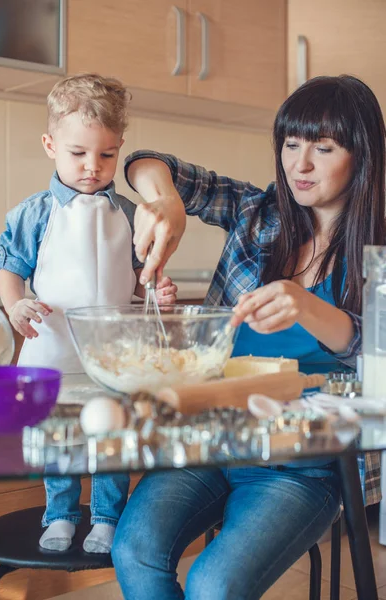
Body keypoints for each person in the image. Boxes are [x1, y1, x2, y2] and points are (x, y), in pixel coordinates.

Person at [110, 75, 384, 599]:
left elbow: (374, 351)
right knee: (135, 549)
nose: (299, 164)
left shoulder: (377, 254)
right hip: (210, 442)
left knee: (215, 584)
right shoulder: (259, 216)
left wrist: (309, 306)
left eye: (322, 148)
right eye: (291, 143)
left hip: (304, 468)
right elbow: (144, 161)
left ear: (362, 155)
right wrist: (164, 198)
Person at [0, 73, 177, 554]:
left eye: (107, 155)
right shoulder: (32, 214)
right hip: (51, 346)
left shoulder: (132, 212)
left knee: (110, 434)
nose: (92, 167)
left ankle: (107, 516)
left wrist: (156, 291)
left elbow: (143, 278)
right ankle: (60, 513)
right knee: (60, 437)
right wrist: (16, 305)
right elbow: (9, 273)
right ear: (51, 145)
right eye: (78, 154)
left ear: (120, 148)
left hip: (113, 354)